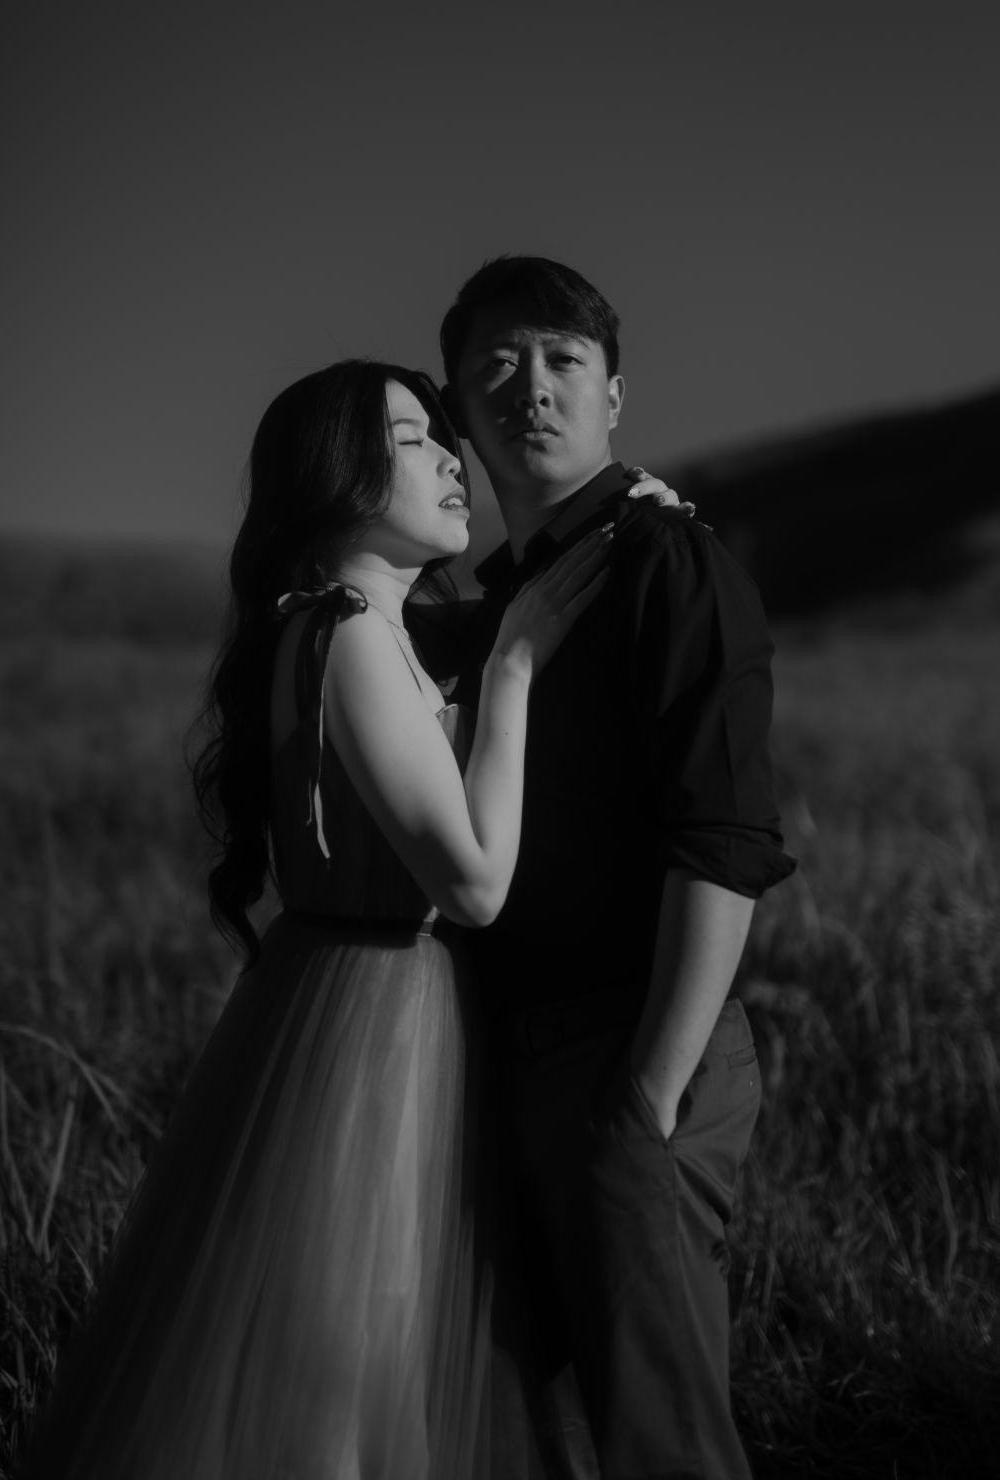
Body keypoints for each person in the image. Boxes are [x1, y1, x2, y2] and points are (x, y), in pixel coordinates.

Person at [19, 358, 633, 1480]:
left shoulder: (358, 629)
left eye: (443, 435)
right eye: (411, 439)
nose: (452, 458)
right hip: (374, 1022)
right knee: (346, 1375)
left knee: (366, 1368)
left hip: (368, 1001)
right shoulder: (346, 631)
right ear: (334, 474)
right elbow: (473, 885)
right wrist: (513, 665)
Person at [432, 256, 797, 1480]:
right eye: (496, 362)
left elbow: (722, 839)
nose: (530, 387)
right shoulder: (496, 601)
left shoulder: (662, 558)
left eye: (562, 360)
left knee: (660, 1444)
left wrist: (646, 1092)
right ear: (455, 402)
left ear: (613, 395)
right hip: (505, 1065)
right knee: (537, 1441)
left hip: (629, 1049)